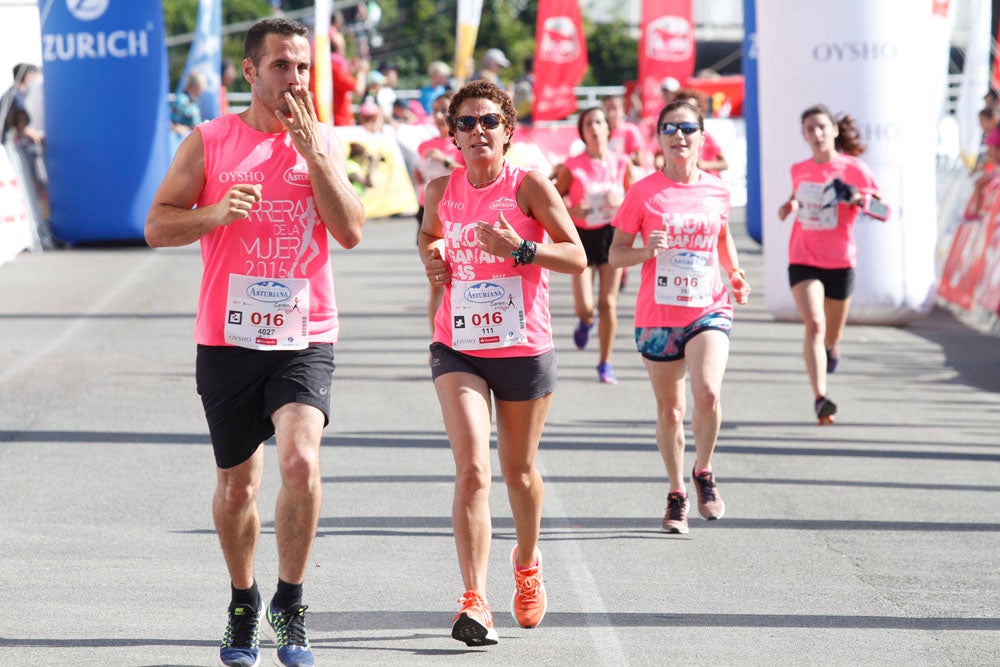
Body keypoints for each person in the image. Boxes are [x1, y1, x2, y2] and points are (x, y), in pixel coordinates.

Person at [144, 17, 364, 667]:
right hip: (228, 339)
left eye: (303, 67)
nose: (295, 79)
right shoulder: (210, 141)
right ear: (249, 72)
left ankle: (290, 600)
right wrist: (213, 213)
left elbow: (350, 232)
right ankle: (244, 599)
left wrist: (315, 151)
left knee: (300, 463)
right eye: (281, 66)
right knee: (237, 487)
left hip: (304, 334)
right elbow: (157, 224)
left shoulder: (320, 142)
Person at [417, 79, 585, 646]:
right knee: (473, 470)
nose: (478, 131)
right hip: (458, 344)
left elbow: (578, 257)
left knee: (518, 473)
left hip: (522, 346)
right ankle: (475, 600)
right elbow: (430, 236)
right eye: (466, 123)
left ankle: (528, 560)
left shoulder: (529, 187)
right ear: (453, 136)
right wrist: (433, 259)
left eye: (489, 121)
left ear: (508, 131)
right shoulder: (441, 189)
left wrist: (521, 249)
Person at [609, 99, 751, 535]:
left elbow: (722, 234)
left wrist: (735, 273)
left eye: (688, 128)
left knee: (707, 392)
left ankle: (703, 471)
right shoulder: (644, 192)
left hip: (708, 306)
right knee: (671, 411)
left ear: (702, 138)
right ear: (658, 139)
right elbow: (614, 256)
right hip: (658, 314)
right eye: (669, 129)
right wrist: (647, 251)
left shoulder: (717, 190)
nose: (679, 136)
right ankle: (676, 492)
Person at [777, 104, 884, 425]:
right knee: (814, 323)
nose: (817, 134)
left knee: (831, 334)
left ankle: (832, 349)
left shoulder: (855, 169)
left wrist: (857, 198)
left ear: (834, 130)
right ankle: (820, 397)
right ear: (804, 135)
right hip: (803, 255)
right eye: (810, 129)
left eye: (822, 127)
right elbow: (798, 196)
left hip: (840, 261)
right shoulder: (799, 169)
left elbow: (884, 210)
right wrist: (790, 205)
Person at [553, 106, 634, 383]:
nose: (595, 127)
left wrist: (621, 203)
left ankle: (605, 362)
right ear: (582, 131)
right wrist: (574, 211)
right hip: (582, 239)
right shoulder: (572, 165)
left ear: (608, 128)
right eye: (589, 123)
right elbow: (554, 201)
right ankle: (585, 322)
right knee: (586, 306)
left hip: (612, 236)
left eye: (599, 122)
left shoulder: (622, 162)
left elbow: (635, 201)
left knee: (608, 303)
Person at [413, 93, 464, 331]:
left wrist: (444, 160)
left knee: (461, 278)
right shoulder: (424, 146)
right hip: (430, 214)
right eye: (435, 111)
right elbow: (420, 177)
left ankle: (463, 334)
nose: (439, 116)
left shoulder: (461, 143)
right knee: (436, 280)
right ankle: (438, 341)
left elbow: (469, 173)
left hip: (459, 213)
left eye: (444, 110)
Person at [330, 26, 369, 127]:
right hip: (338, 122)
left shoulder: (330, 65)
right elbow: (358, 90)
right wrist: (362, 71)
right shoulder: (334, 68)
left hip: (337, 121)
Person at [602, 94, 649, 169]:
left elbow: (640, 159)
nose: (611, 113)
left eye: (614, 108)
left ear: (623, 109)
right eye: (608, 109)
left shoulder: (630, 130)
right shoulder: (600, 132)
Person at [1, 63, 43, 143]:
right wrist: (36, 136)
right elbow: (18, 124)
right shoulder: (15, 95)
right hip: (9, 141)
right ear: (26, 76)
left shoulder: (13, 93)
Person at [171, 69, 206, 136]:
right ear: (196, 85)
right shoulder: (181, 100)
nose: (204, 88)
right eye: (203, 84)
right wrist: (185, 129)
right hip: (183, 140)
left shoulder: (194, 100)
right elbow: (173, 123)